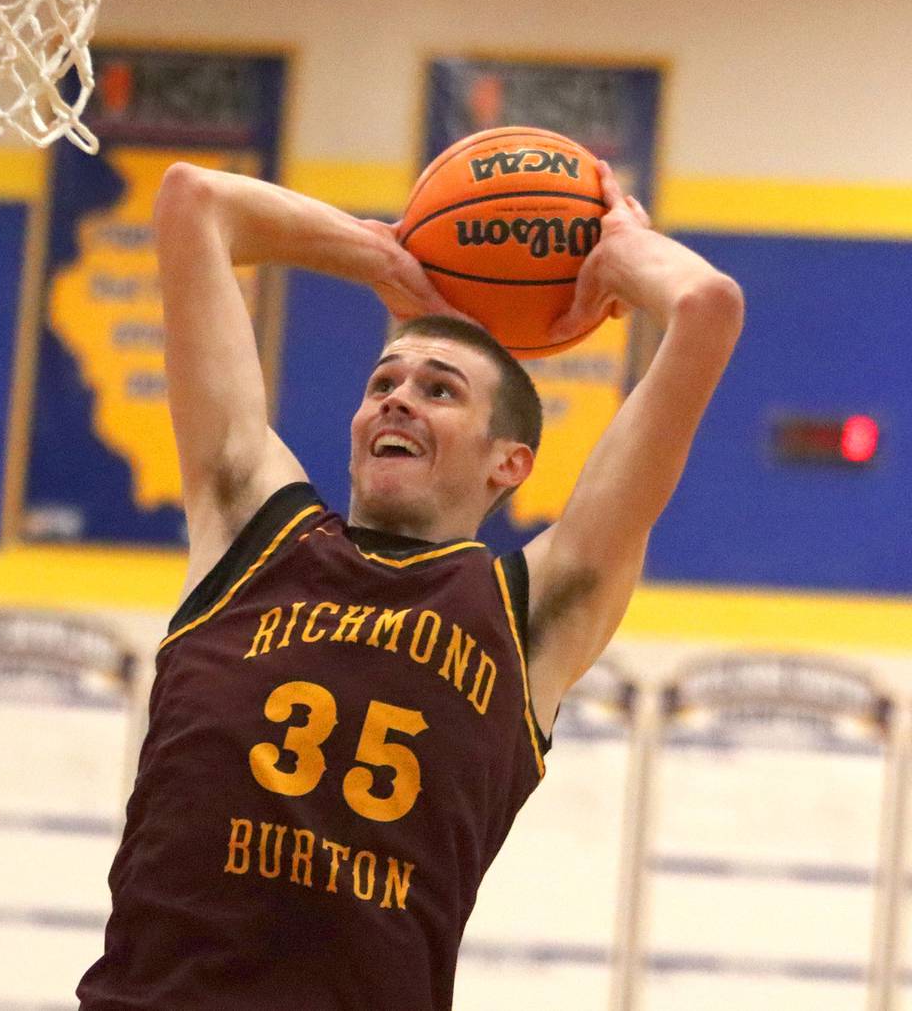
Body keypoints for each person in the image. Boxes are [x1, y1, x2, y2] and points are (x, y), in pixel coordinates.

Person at [77, 158, 743, 1010]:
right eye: (382, 384)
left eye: (439, 390)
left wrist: (622, 254)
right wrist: (381, 257)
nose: (397, 400)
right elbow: (194, 202)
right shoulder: (253, 529)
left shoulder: (533, 613)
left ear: (511, 461)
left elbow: (706, 307)